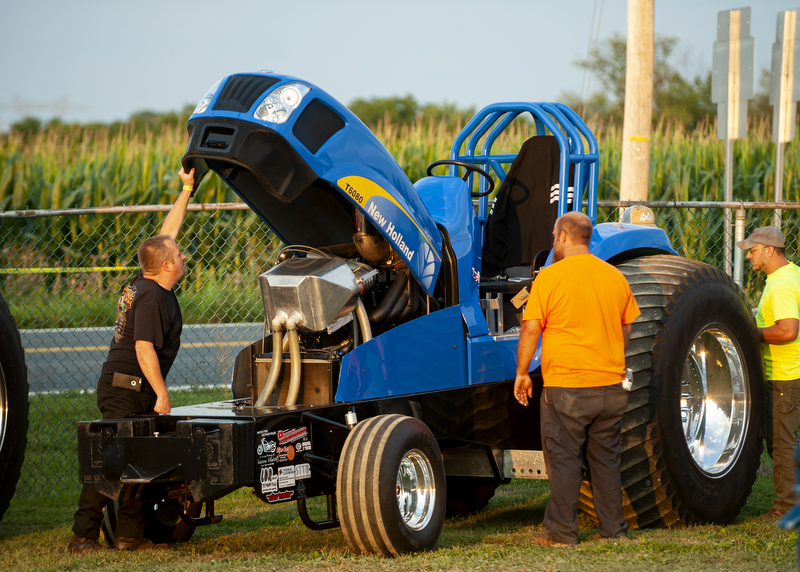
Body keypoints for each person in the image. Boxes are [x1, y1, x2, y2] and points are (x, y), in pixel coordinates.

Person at [67, 167, 195, 553]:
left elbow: (167, 235)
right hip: (128, 388)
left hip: (129, 387)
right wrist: (162, 394)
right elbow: (143, 349)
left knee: (141, 459)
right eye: (178, 253)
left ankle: (128, 536)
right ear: (168, 265)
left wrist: (187, 188)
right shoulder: (154, 296)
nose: (182, 253)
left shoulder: (148, 277)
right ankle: (83, 537)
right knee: (110, 463)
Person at [514, 211, 640, 547]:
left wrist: (522, 372)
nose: (553, 242)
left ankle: (561, 534)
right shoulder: (615, 277)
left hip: (567, 387)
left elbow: (530, 327)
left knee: (564, 459)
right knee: (605, 459)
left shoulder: (550, 278)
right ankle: (614, 531)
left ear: (565, 237)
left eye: (555, 236)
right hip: (611, 387)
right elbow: (626, 328)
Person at [737, 226, 800, 519]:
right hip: (787, 372)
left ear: (770, 250)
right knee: (782, 439)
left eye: (753, 249)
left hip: (785, 374)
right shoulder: (790, 274)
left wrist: (754, 332)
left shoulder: (782, 284)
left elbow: (787, 330)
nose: (749, 255)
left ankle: (787, 507)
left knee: (780, 442)